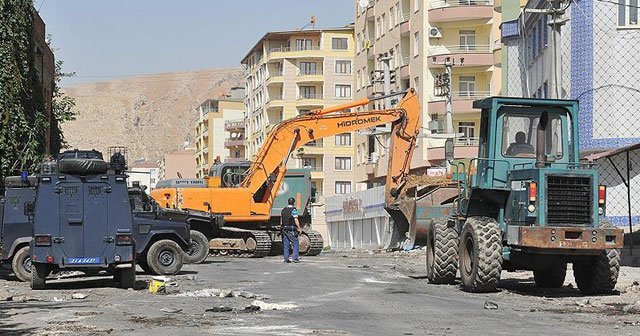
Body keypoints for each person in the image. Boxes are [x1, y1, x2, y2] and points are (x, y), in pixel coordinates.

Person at [281, 197, 303, 263]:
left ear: (288, 202)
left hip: (284, 229)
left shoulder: (283, 210)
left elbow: (281, 220)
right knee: (295, 243)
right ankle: (295, 258)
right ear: (293, 203)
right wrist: (299, 228)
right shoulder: (293, 210)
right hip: (291, 229)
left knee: (286, 244)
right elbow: (296, 219)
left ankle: (286, 259)